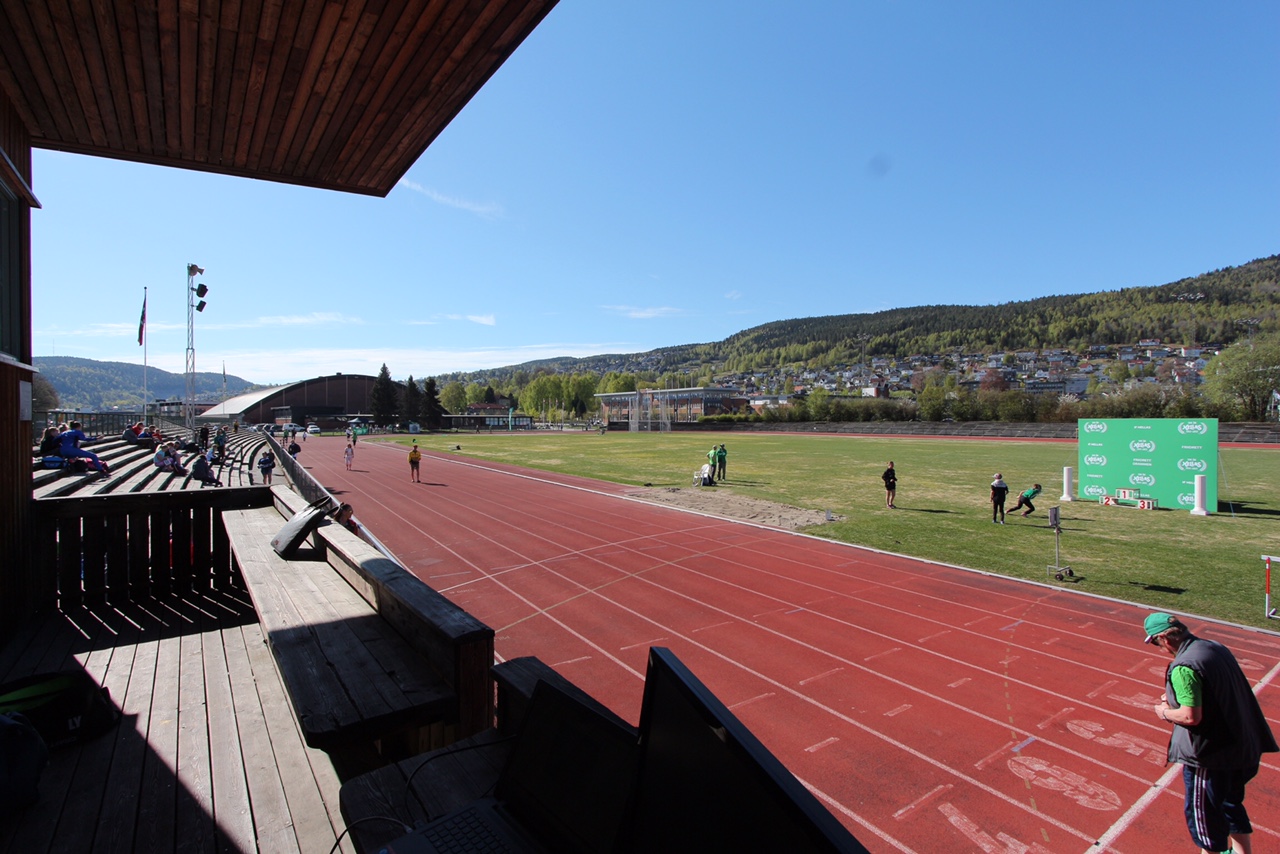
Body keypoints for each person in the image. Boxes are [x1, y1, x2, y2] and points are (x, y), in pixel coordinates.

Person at [1143, 613, 1277, 854]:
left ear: (1165, 638)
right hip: (1244, 745)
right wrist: (1174, 697)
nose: (1158, 647)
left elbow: (1189, 716)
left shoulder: (1183, 667)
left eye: (1155, 642)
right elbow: (1215, 687)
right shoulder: (1214, 647)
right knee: (1230, 803)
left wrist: (1164, 711)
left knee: (1205, 821)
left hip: (1211, 757)